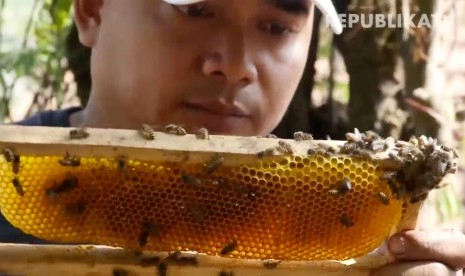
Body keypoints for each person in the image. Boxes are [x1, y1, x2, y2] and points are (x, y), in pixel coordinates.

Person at [6, 0, 465, 274]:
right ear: (92, 10)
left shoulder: (354, 233)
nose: (237, 64)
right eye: (197, 10)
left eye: (277, 27)